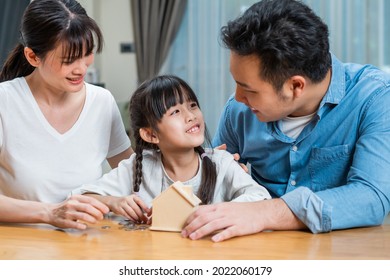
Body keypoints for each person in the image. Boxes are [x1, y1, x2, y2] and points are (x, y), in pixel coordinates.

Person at [181, 0, 390, 242]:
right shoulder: (239, 110)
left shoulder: (374, 97)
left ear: (295, 86)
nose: (238, 97)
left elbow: (371, 197)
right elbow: (210, 184)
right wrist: (219, 179)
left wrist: (264, 213)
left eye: (248, 88)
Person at [0, 0, 133, 229]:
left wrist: (114, 200)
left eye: (87, 54)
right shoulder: (6, 102)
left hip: (85, 248)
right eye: (69, 60)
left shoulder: (102, 102)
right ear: (33, 57)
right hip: (19, 249)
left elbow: (133, 173)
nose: (82, 68)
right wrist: (50, 212)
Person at [70, 75, 271, 223]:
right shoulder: (138, 168)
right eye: (175, 111)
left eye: (192, 105)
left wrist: (207, 214)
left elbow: (260, 198)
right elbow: (80, 198)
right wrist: (114, 202)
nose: (191, 115)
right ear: (151, 135)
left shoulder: (222, 162)